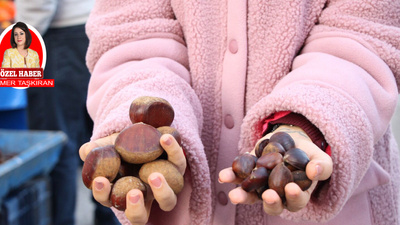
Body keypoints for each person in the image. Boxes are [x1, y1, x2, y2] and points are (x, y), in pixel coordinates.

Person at [79, 0, 400, 224]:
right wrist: (143, 126)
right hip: (184, 210)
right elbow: (131, 36)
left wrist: (307, 123)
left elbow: (365, 36)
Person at [15, 0, 120, 224]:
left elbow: (38, 4)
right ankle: (110, 218)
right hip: (89, 29)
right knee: (99, 136)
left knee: (58, 143)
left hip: (56, 38)